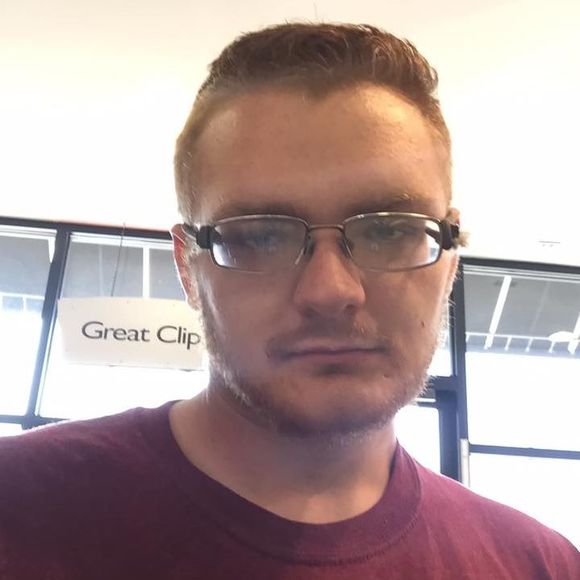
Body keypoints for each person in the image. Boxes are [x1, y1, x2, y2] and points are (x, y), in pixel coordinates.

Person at [0, 22, 578, 580]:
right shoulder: (19, 509)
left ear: (449, 258)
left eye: (388, 230)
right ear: (188, 267)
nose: (331, 291)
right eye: (258, 236)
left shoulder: (539, 566)